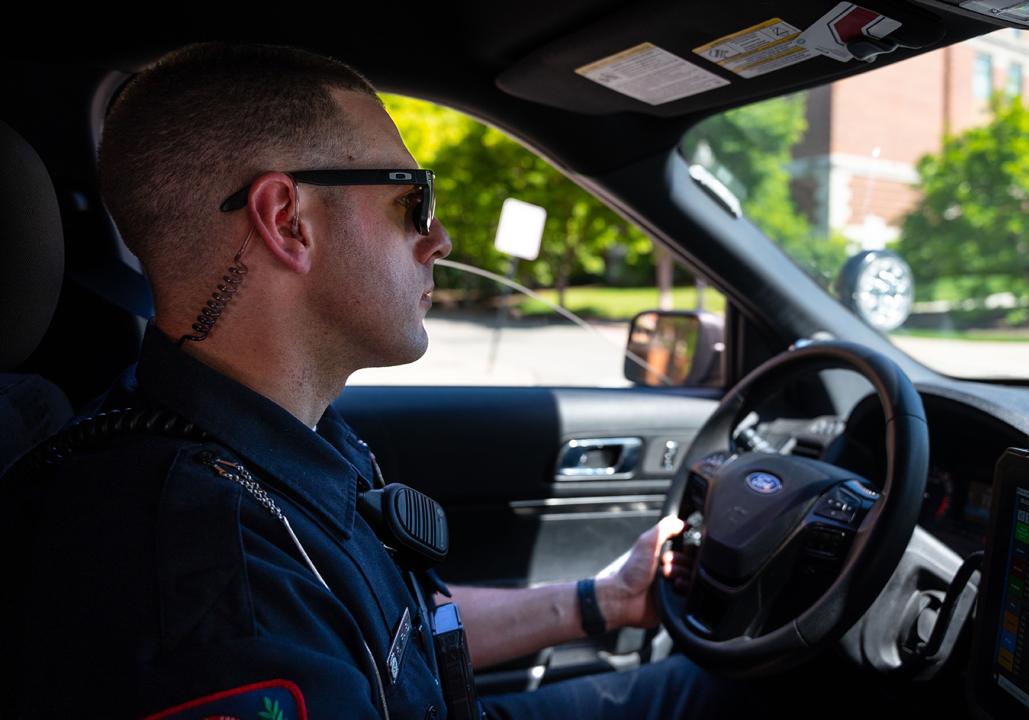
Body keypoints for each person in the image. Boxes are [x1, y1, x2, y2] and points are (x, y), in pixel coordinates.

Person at [2, 42, 808, 719]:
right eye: (412, 201)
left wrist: (600, 601)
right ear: (288, 221)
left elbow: (389, 629)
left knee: (705, 691)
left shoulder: (270, 433)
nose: (441, 237)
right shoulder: (208, 592)